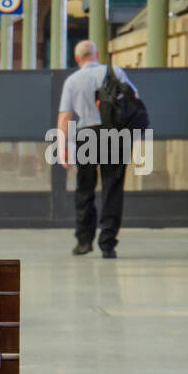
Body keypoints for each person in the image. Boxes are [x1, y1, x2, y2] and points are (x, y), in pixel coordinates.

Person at [58, 39, 137, 259]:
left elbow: (65, 116)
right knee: (113, 189)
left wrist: (62, 147)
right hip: (115, 135)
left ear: (77, 58)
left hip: (87, 135)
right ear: (98, 54)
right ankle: (108, 244)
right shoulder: (116, 73)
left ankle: (84, 241)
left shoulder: (72, 81)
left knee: (85, 188)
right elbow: (135, 99)